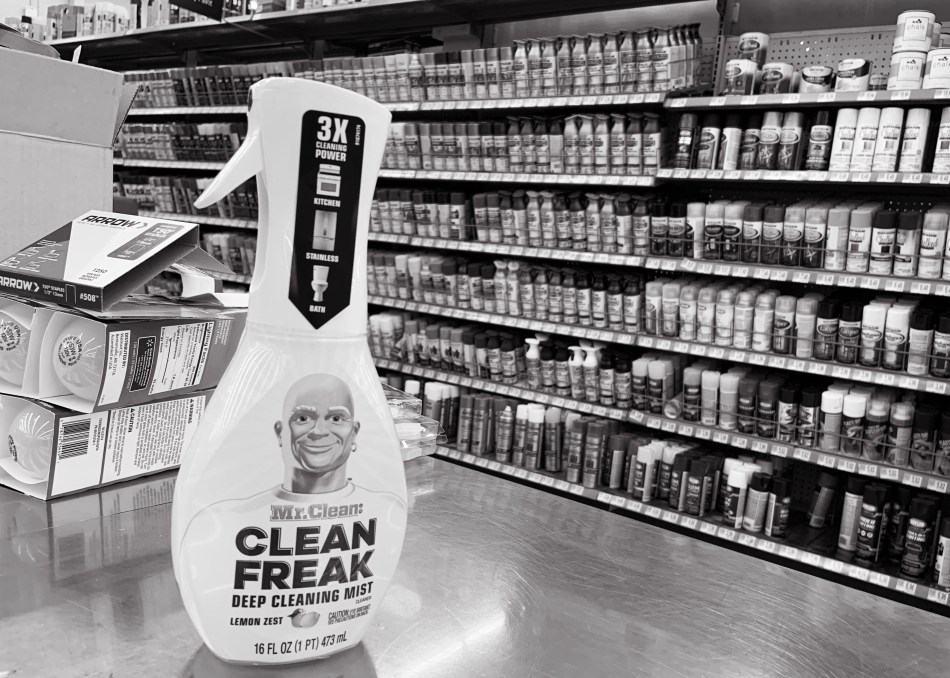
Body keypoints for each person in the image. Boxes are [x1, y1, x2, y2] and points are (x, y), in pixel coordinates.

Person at [176, 374, 406, 658]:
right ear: (280, 432)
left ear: (354, 431)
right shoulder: (217, 520)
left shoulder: (386, 509)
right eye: (303, 418)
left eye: (336, 418)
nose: (319, 431)